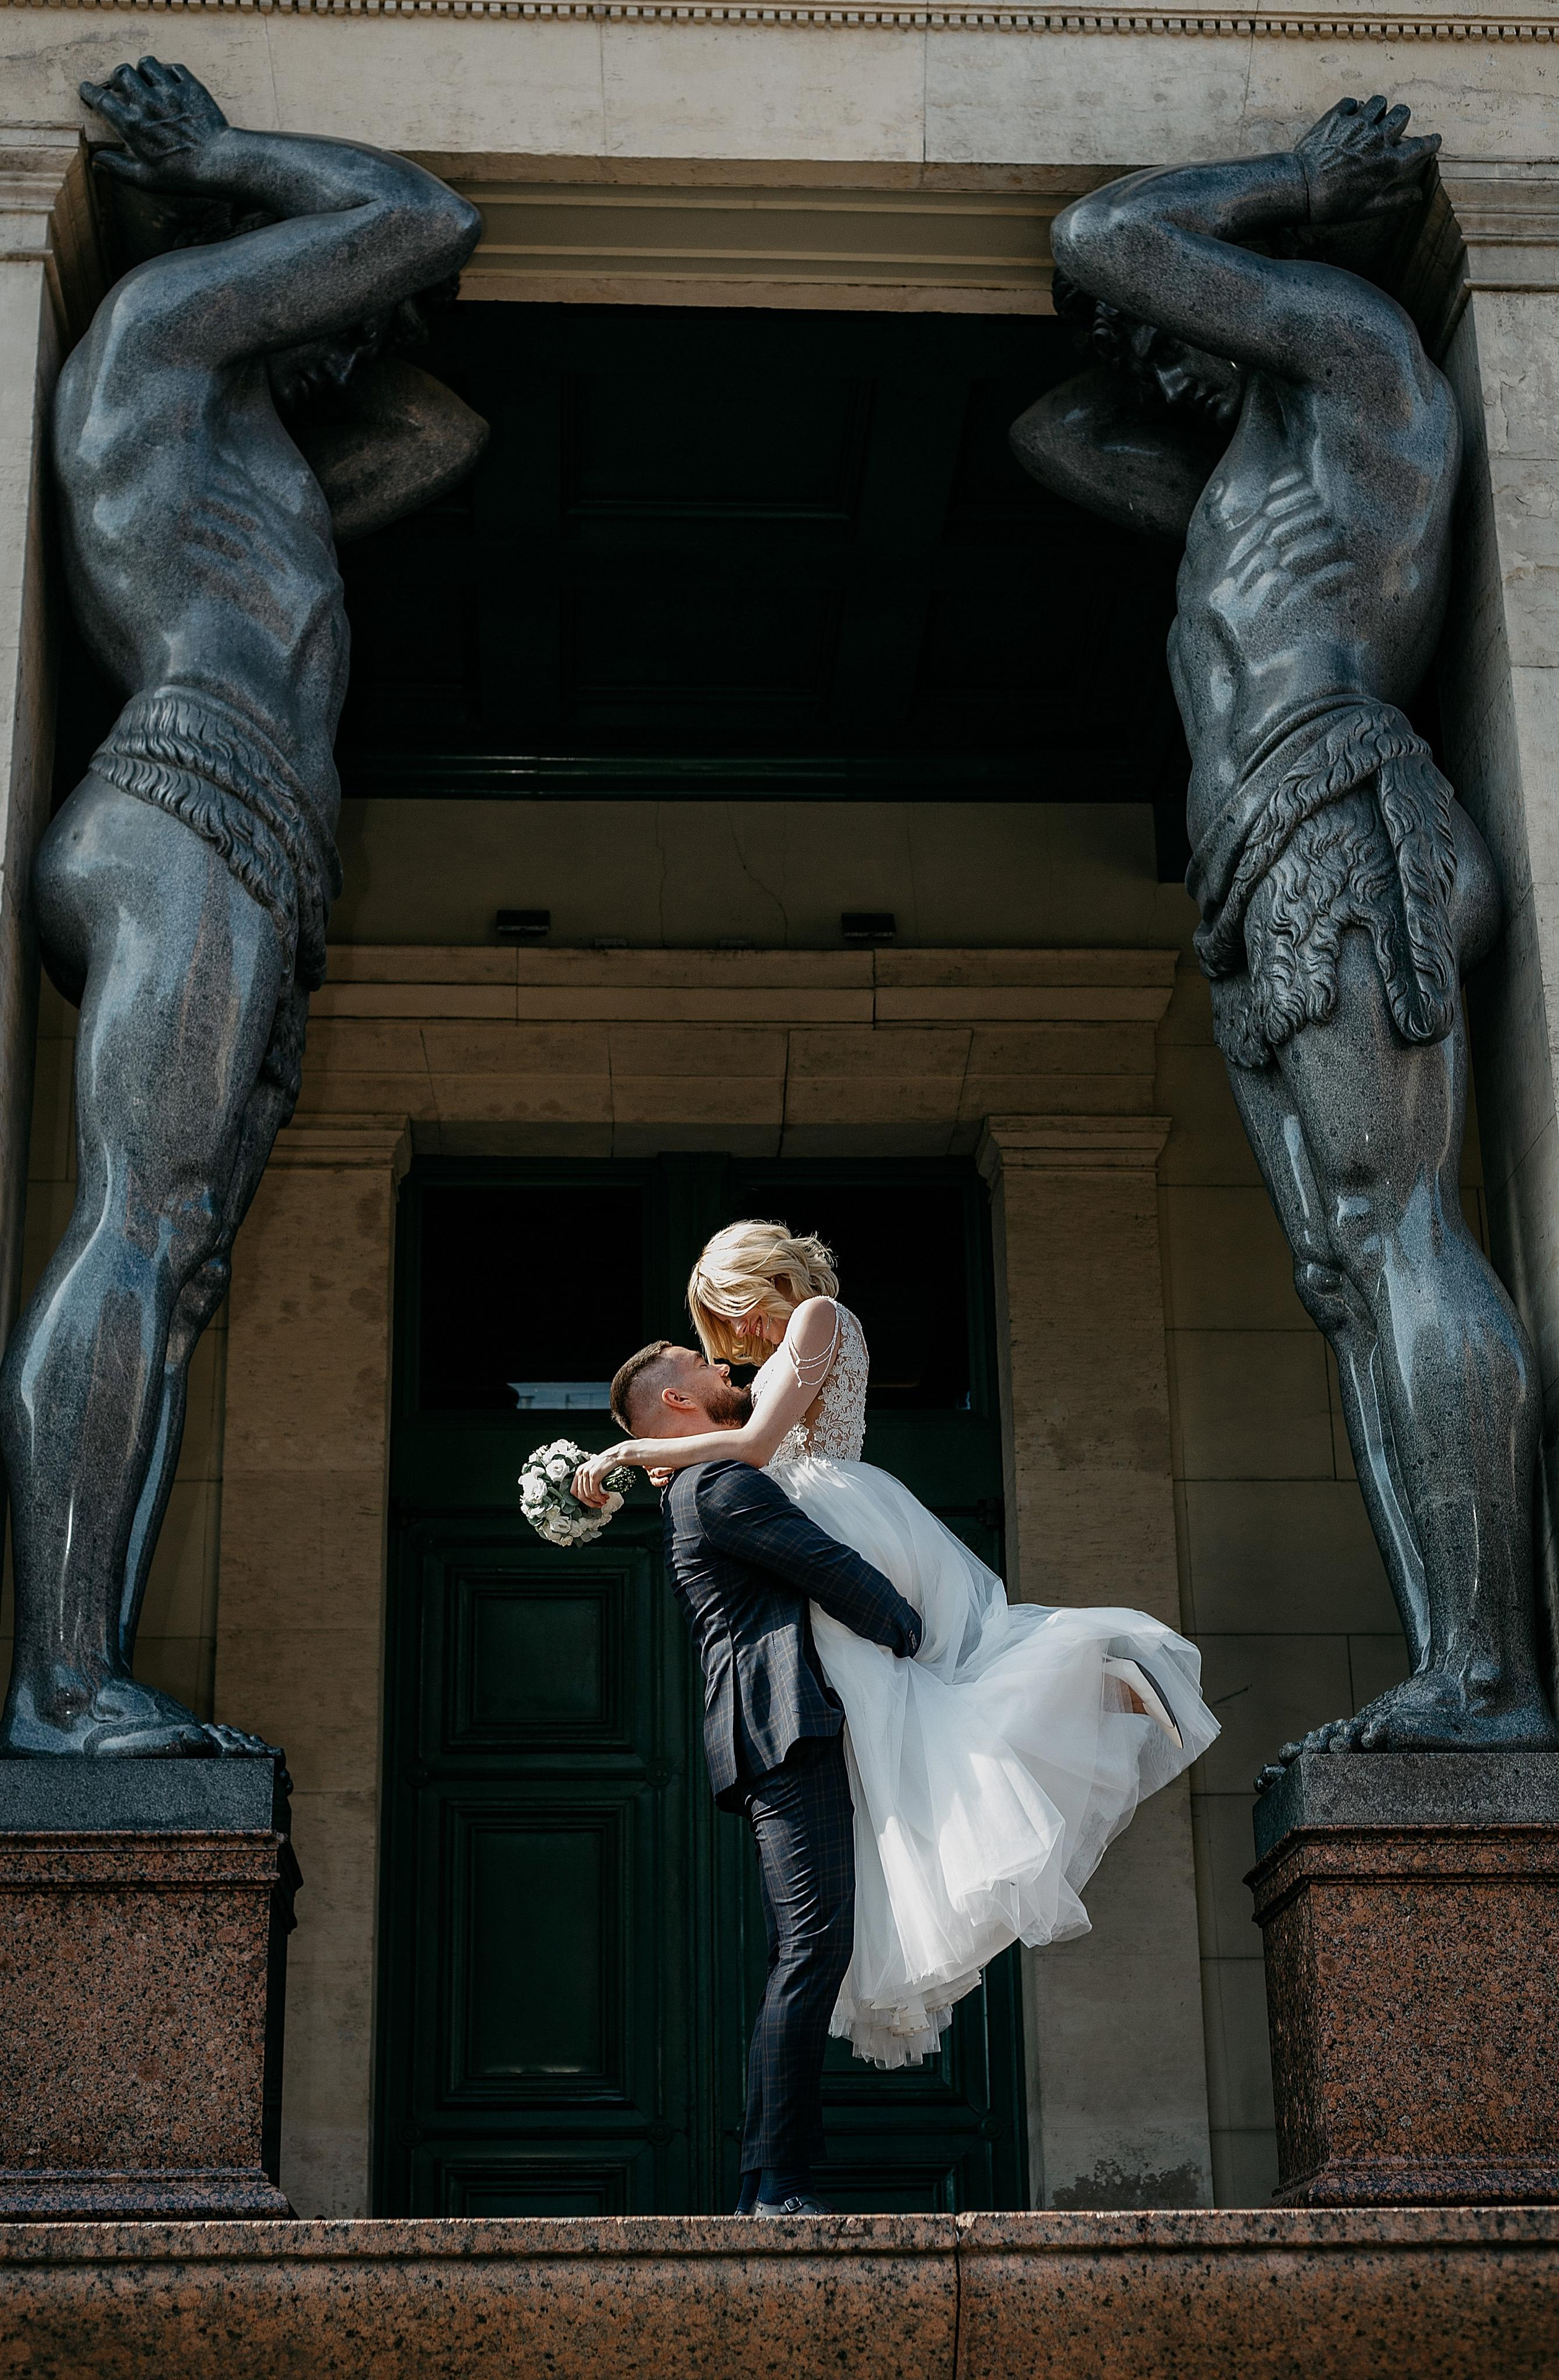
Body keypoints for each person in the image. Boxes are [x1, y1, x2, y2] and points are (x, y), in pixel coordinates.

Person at [1010, 95, 1559, 1776]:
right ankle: (1451, 1667)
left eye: (1186, 321)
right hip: (1268, 852)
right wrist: (1182, 358)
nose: (1148, 344)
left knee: (1400, 1234)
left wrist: (1301, 190)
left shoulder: (1360, 363)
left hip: (1340, 808)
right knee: (1345, 1271)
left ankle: (1490, 1669)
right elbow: (1063, 432)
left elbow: (1107, 236)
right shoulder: (1252, 468)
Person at [0, 60, 486, 1758]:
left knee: (175, 1255)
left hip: (249, 834)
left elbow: (439, 429)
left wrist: (327, 329)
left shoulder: (254, 451)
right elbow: (422, 214)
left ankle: (82, 1665)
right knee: (137, 1223)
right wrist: (226, 162)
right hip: (181, 799)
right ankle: (57, 1686)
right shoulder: (152, 347)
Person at [577, 1223, 1217, 2077]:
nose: (738, 1343)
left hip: (839, 1513)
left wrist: (643, 1450)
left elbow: (759, 1446)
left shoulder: (817, 1319)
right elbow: (748, 1443)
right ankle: (1090, 1687)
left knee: (914, 1692)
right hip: (817, 1507)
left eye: (737, 1317)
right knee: (916, 1709)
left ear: (763, 1283)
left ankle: (1087, 1672)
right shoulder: (789, 1345)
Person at [606, 1334, 923, 2217]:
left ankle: (767, 2184)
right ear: (675, 1402)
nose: (724, 1368)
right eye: (697, 1362)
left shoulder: (698, 1486)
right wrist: (915, 1634)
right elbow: (830, 1570)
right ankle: (779, 2185)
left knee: (808, 1950)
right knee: (811, 1950)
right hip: (784, 1732)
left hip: (776, 1734)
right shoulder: (720, 1485)